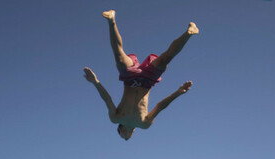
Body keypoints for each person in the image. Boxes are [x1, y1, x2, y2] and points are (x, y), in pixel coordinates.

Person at [83, 10, 199, 140]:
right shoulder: (144, 124)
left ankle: (111, 20)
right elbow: (160, 106)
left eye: (123, 137)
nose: (127, 138)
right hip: (147, 81)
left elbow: (107, 99)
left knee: (119, 56)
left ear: (121, 131)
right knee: (165, 59)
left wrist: (96, 82)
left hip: (130, 79)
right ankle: (189, 33)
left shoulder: (115, 118)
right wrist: (178, 92)